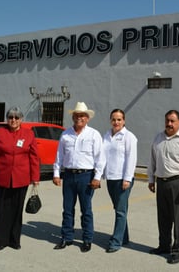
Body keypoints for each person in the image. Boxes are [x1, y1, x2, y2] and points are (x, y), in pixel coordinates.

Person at [0, 106, 40, 251]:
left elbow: (34, 157)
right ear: (7, 119)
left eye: (16, 117)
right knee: (2, 209)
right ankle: (1, 240)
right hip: (1, 177)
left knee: (17, 209)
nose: (13, 120)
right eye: (10, 117)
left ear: (21, 120)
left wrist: (35, 177)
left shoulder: (29, 134)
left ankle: (14, 239)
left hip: (21, 178)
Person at [53, 102, 105, 253]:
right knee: (67, 209)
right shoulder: (65, 134)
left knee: (86, 210)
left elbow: (100, 158)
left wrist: (97, 177)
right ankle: (66, 237)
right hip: (69, 175)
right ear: (73, 117)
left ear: (87, 118)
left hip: (86, 176)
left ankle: (87, 239)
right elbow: (59, 156)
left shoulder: (94, 134)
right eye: (76, 115)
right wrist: (56, 173)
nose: (79, 118)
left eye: (82, 115)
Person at [147, 110, 179, 264]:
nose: (169, 124)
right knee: (163, 217)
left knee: (177, 219)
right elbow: (152, 160)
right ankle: (164, 246)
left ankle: (177, 250)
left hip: (177, 183)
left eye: (172, 121)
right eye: (167, 120)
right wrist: (151, 179)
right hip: (161, 182)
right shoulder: (158, 138)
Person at [102, 109, 138, 253]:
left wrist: (127, 179)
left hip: (123, 179)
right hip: (111, 178)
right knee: (118, 209)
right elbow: (102, 156)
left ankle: (116, 242)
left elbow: (131, 159)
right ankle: (124, 237)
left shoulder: (129, 137)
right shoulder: (106, 135)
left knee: (121, 211)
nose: (116, 122)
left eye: (119, 119)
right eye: (113, 119)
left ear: (124, 121)